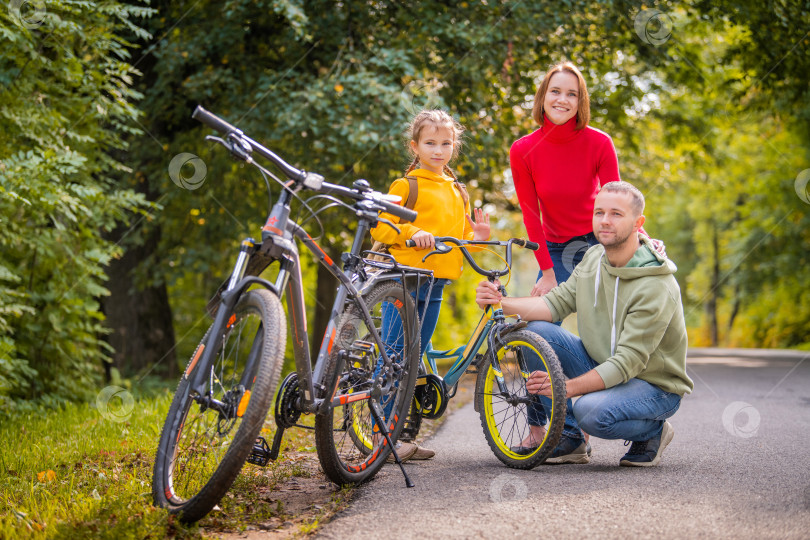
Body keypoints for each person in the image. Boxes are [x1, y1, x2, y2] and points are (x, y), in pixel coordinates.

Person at [475, 181, 693, 467]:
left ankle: (654, 430)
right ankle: (569, 439)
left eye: (616, 214)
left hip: (653, 385)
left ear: (638, 223)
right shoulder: (593, 259)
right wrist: (499, 302)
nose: (604, 221)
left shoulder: (655, 285)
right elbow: (553, 304)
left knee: (591, 412)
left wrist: (562, 387)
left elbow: (627, 363)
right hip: (602, 363)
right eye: (599, 212)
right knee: (533, 330)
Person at [371, 109, 490, 461]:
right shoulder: (406, 185)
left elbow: (461, 242)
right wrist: (413, 232)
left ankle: (399, 433)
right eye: (430, 143)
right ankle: (382, 439)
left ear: (454, 146)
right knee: (394, 357)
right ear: (415, 146)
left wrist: (478, 238)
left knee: (415, 356)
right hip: (404, 280)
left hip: (436, 284)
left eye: (446, 143)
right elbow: (383, 226)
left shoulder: (457, 191)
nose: (438, 150)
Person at [510, 61, 620, 297]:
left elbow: (617, 203)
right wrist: (548, 273)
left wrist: (641, 240)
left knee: (608, 323)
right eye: (556, 91)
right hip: (556, 250)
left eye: (572, 94)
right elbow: (531, 215)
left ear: (580, 102)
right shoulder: (522, 150)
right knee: (538, 327)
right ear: (543, 96)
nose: (563, 99)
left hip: (600, 242)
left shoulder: (600, 143)